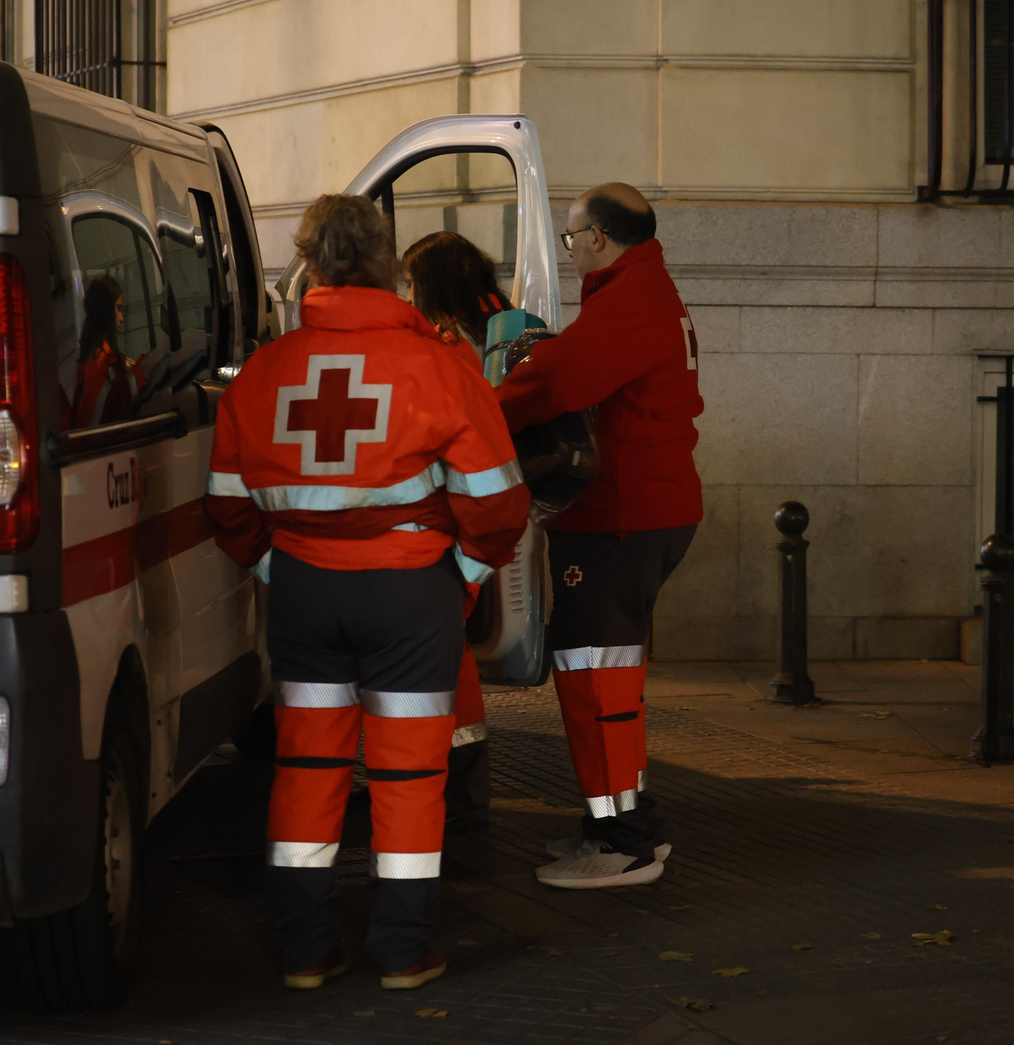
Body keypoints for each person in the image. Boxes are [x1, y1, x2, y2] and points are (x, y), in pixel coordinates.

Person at [204, 195, 529, 990]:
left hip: (307, 594)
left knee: (308, 769)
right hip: (412, 593)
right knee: (410, 777)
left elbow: (225, 503)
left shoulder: (264, 372)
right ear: (387, 265)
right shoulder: (436, 366)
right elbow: (497, 502)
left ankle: (305, 953)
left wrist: (282, 567)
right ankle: (401, 951)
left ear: (312, 265)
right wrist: (467, 572)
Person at [495, 182, 704, 890]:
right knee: (600, 677)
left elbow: (553, 382)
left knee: (597, 682)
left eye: (572, 235)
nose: (571, 246)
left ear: (599, 239)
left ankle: (626, 844)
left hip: (623, 518)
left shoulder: (628, 302)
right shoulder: (643, 291)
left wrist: (478, 409)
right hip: (634, 513)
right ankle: (617, 825)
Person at [401, 230, 515, 831]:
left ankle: (453, 805)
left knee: (443, 671)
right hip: (469, 529)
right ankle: (462, 800)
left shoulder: (445, 349)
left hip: (443, 528)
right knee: (456, 668)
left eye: (411, 282)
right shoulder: (490, 334)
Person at [71, 277, 142, 428]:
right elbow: (117, 408)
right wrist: (144, 369)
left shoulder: (90, 356)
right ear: (107, 311)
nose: (122, 318)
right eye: (118, 308)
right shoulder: (105, 361)